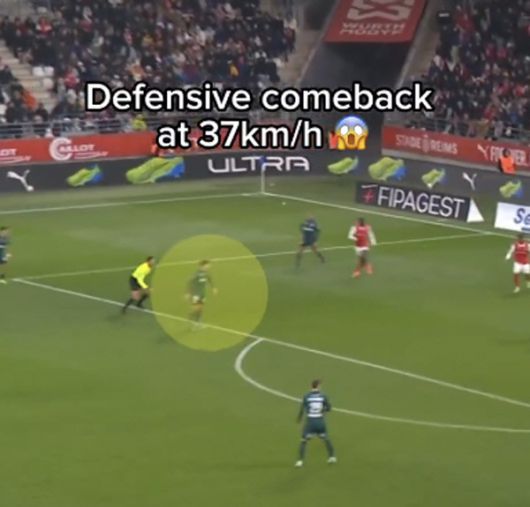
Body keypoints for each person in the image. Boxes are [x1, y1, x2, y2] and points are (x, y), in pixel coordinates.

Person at [295, 379, 336, 468]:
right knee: (326, 439)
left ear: (311, 386)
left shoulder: (306, 396)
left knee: (304, 441)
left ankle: (300, 461)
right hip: (320, 422)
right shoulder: (323, 396)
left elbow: (302, 409)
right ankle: (332, 457)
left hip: (310, 422)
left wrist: (299, 419)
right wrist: (323, 410)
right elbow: (329, 408)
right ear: (319, 386)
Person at [186, 260, 218, 327]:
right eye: (207, 265)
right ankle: (193, 318)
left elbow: (209, 279)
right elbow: (190, 282)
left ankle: (197, 321)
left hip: (202, 293)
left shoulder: (206, 273)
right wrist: (188, 293)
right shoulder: (196, 274)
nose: (209, 266)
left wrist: (213, 288)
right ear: (202, 266)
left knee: (201, 308)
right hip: (196, 294)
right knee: (197, 308)